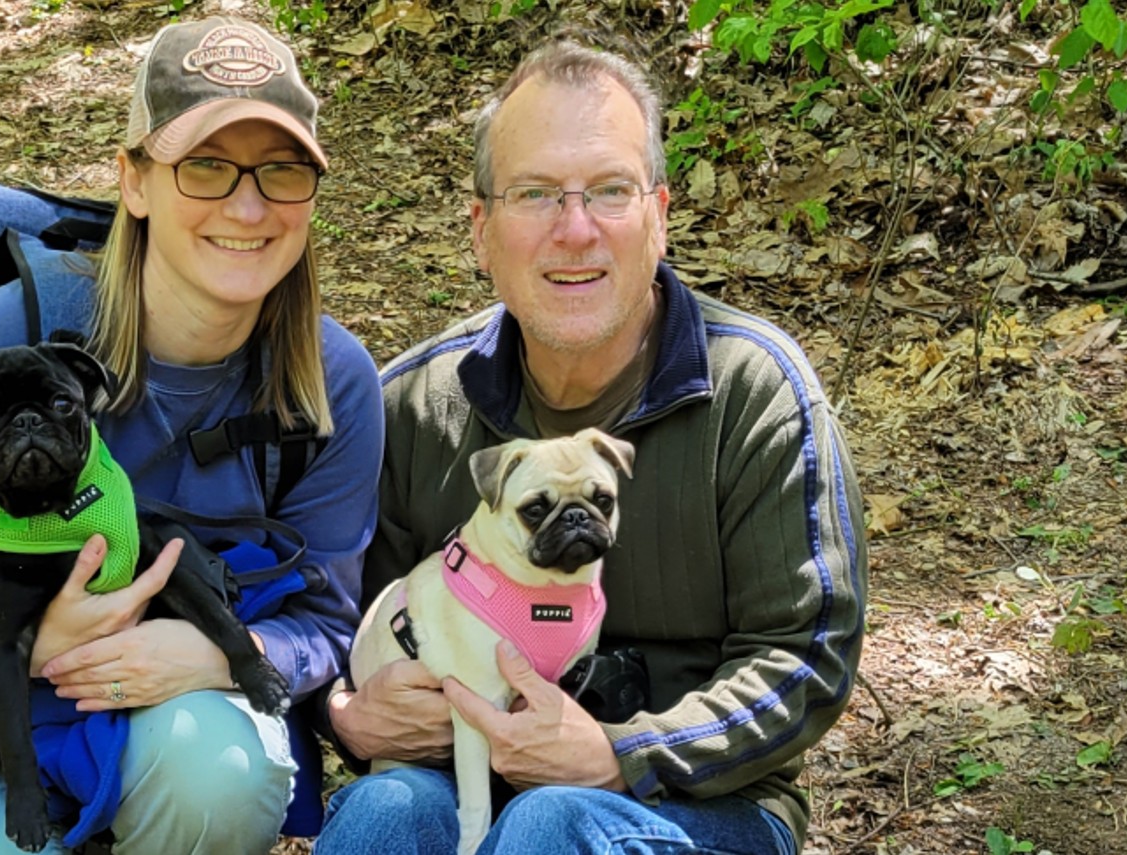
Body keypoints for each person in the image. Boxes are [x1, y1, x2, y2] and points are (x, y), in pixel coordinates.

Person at [0, 16, 381, 855]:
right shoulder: (18, 334)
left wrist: (218, 655)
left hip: (171, 701)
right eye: (207, 167)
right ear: (135, 180)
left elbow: (330, 625)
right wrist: (20, 647)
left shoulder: (330, 380)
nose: (249, 204)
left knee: (221, 776)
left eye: (283, 170)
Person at [313, 40, 866, 855]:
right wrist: (345, 712)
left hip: (696, 794)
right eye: (535, 194)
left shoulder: (756, 393)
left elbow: (805, 655)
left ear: (659, 213)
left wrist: (622, 753)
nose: (575, 230)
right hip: (454, 768)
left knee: (550, 824)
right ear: (481, 228)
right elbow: (325, 618)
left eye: (609, 190)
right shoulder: (416, 403)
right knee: (380, 817)